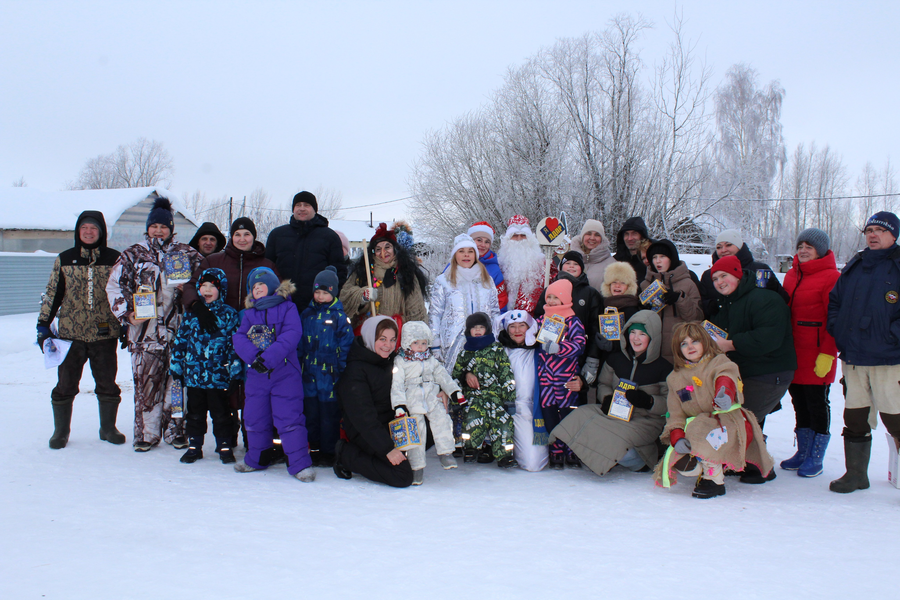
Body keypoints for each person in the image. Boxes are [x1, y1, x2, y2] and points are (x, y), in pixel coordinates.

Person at [107, 197, 202, 452]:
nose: (159, 230)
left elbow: (207, 283)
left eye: (164, 226)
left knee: (177, 385)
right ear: (148, 227)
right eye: (154, 226)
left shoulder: (186, 254)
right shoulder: (133, 255)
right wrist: (127, 314)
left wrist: (190, 292)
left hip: (180, 333)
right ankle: (146, 434)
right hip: (145, 334)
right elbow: (115, 285)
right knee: (147, 386)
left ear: (171, 228)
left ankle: (175, 431)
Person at [181, 217, 277, 449]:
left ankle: (252, 435)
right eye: (237, 234)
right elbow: (192, 285)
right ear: (231, 237)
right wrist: (197, 307)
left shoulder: (266, 263)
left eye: (246, 234)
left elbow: (278, 294)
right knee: (226, 384)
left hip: (253, 333)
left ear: (254, 237)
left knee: (251, 385)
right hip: (219, 334)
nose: (242, 239)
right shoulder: (214, 261)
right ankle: (227, 436)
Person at [654, 322, 774, 499]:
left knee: (706, 432)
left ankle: (714, 479)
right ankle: (700, 466)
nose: (690, 347)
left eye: (695, 341)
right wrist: (676, 434)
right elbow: (675, 412)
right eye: (683, 343)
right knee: (682, 452)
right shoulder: (675, 377)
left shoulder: (718, 361)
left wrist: (724, 393)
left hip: (727, 420)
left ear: (704, 341)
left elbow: (726, 376)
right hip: (699, 425)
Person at [38, 210, 125, 449]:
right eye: (84, 228)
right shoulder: (64, 259)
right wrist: (43, 325)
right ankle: (61, 432)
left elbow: (123, 294)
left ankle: (108, 428)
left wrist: (126, 323)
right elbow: (53, 293)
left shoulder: (115, 258)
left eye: (94, 228)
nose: (88, 232)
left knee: (107, 382)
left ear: (101, 232)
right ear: (78, 231)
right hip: (70, 333)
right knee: (65, 384)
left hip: (104, 333)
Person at [827, 211, 900, 493]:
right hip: (854, 359)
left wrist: (890, 337)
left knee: (896, 419)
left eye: (880, 230)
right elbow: (835, 302)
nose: (873, 234)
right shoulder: (856, 264)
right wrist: (838, 328)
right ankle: (856, 475)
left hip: (888, 360)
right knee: (855, 418)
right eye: (869, 229)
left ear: (893, 235)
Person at [708, 255, 795, 483]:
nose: (719, 282)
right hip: (745, 371)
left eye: (724, 276)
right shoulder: (729, 303)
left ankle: (759, 466)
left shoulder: (764, 299)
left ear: (738, 274)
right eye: (715, 278)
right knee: (738, 414)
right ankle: (743, 461)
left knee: (745, 416)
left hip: (769, 372)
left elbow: (768, 338)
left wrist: (729, 344)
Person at [551, 311, 672, 476]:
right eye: (633, 333)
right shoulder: (616, 358)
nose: (636, 338)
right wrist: (607, 398)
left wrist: (648, 401)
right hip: (614, 412)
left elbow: (670, 402)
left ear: (653, 337)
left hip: (645, 420)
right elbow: (603, 383)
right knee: (581, 415)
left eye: (642, 334)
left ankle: (637, 461)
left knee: (613, 437)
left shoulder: (663, 367)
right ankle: (608, 455)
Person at [232, 267, 316, 482]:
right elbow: (239, 337)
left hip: (285, 373)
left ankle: (299, 464)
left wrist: (267, 358)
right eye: (254, 286)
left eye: (261, 284)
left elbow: (292, 334)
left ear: (271, 286)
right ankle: (256, 460)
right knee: (254, 418)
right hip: (257, 375)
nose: (257, 289)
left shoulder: (288, 308)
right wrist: (255, 357)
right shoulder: (249, 314)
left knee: (289, 419)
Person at [780, 228, 840, 478]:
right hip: (794, 352)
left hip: (817, 352)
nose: (803, 250)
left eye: (809, 247)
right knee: (798, 402)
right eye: (800, 245)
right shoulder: (791, 275)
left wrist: (828, 353)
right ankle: (802, 451)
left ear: (821, 250)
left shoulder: (832, 277)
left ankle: (816, 456)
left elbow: (835, 318)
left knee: (817, 403)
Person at [169, 268, 242, 464]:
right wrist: (176, 367)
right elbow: (181, 341)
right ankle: (194, 447)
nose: (207, 290)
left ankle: (225, 447)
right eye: (203, 286)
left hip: (218, 376)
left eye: (212, 286)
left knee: (221, 414)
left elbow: (235, 345)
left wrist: (235, 371)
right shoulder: (192, 314)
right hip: (194, 376)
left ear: (221, 289)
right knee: (195, 414)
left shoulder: (229, 314)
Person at [333, 316, 414, 488]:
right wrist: (388, 449)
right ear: (371, 338)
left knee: (428, 431)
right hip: (365, 431)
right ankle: (346, 455)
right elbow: (363, 418)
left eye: (392, 340)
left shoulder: (391, 360)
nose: (388, 345)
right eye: (382, 339)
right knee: (403, 475)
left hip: (389, 423)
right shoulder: (355, 371)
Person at [391, 321, 463, 484]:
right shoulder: (401, 362)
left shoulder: (430, 360)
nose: (420, 347)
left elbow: (442, 375)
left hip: (432, 398)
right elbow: (397, 384)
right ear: (407, 343)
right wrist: (399, 405)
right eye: (416, 343)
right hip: (413, 400)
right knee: (417, 434)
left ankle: (446, 453)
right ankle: (417, 467)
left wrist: (454, 391)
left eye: (424, 343)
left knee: (442, 421)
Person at [298, 266, 354, 467]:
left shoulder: (340, 317)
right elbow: (300, 343)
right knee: (311, 413)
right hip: (309, 376)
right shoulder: (306, 314)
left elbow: (346, 345)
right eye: (317, 292)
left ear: (333, 293)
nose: (320, 296)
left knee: (329, 416)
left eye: (325, 292)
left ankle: (329, 451)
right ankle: (313, 448)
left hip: (330, 376)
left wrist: (340, 368)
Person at [535, 251, 603, 403]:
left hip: (577, 358)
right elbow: (538, 319)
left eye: (576, 264)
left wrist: (592, 358)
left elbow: (595, 328)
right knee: (550, 403)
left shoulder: (590, 293)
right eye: (567, 263)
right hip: (548, 361)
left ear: (582, 268)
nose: (571, 267)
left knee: (574, 399)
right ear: (561, 267)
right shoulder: (549, 290)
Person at [452, 312, 517, 467]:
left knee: (502, 424)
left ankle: (505, 455)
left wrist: (509, 397)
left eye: (481, 327)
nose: (478, 330)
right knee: (472, 418)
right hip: (474, 397)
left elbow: (506, 373)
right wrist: (457, 397)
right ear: (469, 331)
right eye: (474, 328)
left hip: (495, 397)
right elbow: (456, 375)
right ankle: (470, 448)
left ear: (487, 329)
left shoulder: (496, 350)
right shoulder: (465, 352)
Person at [265, 190, 346, 313]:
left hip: (317, 307)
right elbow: (267, 269)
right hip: (282, 305)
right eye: (298, 205)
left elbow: (339, 272)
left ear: (315, 209)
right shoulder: (277, 235)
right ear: (293, 209)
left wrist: (329, 299)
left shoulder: (329, 237)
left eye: (306, 205)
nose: (302, 208)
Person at [429, 233, 500, 371]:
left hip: (483, 342)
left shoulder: (487, 280)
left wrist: (495, 336)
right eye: (461, 251)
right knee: (455, 384)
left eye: (470, 251)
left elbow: (495, 311)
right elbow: (435, 314)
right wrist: (435, 341)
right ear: (455, 254)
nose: (466, 255)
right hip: (453, 343)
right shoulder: (443, 281)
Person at [340, 222, 428, 331]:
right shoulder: (363, 271)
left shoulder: (406, 273)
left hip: (397, 333)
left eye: (387, 247)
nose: (383, 252)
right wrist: (362, 295)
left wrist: (416, 335)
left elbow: (415, 307)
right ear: (372, 252)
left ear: (395, 249)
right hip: (367, 333)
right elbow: (344, 297)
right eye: (378, 249)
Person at [536, 279, 586, 468]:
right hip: (546, 377)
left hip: (566, 378)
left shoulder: (572, 320)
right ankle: (556, 449)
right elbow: (532, 335)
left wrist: (560, 348)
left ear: (564, 298)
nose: (551, 300)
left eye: (555, 297)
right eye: (548, 296)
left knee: (568, 414)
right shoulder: (542, 319)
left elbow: (579, 345)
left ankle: (571, 448)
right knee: (550, 413)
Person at [497, 310, 548, 471]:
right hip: (505, 409)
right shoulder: (499, 351)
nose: (517, 331)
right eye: (512, 327)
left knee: (533, 463)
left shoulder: (540, 351)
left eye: (522, 326)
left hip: (531, 411)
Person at [699, 229, 789, 317]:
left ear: (739, 246)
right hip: (720, 329)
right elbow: (700, 303)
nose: (723, 250)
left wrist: (774, 287)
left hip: (754, 327)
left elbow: (783, 300)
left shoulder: (759, 269)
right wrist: (708, 305)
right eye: (719, 247)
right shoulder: (708, 275)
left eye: (729, 245)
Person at [640, 239, 703, 363]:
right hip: (652, 352)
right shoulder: (645, 285)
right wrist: (643, 311)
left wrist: (680, 299)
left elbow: (697, 318)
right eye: (654, 257)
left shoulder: (688, 283)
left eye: (662, 256)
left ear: (671, 258)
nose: (658, 261)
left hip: (680, 351)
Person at [497, 214, 546, 313]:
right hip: (506, 316)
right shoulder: (500, 264)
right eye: (515, 235)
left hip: (534, 316)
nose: (519, 239)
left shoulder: (543, 262)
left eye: (523, 235)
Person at [466, 221, 508, 312]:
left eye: (487, 242)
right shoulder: (456, 263)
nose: (483, 245)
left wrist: (500, 322)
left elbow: (501, 301)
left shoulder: (494, 269)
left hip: (484, 322)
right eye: (479, 240)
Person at [570, 219, 616, 290]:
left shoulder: (612, 264)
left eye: (597, 235)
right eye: (588, 233)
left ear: (601, 239)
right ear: (583, 236)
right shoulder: (569, 259)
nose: (592, 238)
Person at [613, 216, 651, 281]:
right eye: (626, 234)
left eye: (634, 233)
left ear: (642, 236)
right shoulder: (615, 262)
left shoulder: (650, 261)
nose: (630, 238)